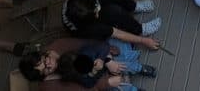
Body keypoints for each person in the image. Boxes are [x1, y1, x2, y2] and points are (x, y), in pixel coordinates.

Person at [61, 0, 160, 50]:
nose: (99, 10)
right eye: (96, 12)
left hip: (88, 11)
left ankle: (133, 6)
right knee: (114, 12)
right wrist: (143, 41)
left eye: (97, 8)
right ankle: (140, 30)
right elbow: (117, 33)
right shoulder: (89, 28)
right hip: (87, 31)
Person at [19, 38, 149, 90]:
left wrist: (106, 60)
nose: (49, 64)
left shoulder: (59, 45)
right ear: (43, 77)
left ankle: (137, 67)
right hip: (96, 81)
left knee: (119, 53)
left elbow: (91, 44)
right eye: (46, 69)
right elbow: (87, 86)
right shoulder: (52, 86)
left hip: (98, 59)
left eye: (44, 60)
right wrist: (106, 82)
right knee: (121, 86)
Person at [53, 39, 156, 91]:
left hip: (110, 61)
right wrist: (94, 75)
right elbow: (90, 84)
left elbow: (103, 46)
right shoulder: (81, 78)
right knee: (119, 88)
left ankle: (140, 68)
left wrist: (103, 60)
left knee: (122, 65)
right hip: (105, 77)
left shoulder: (86, 52)